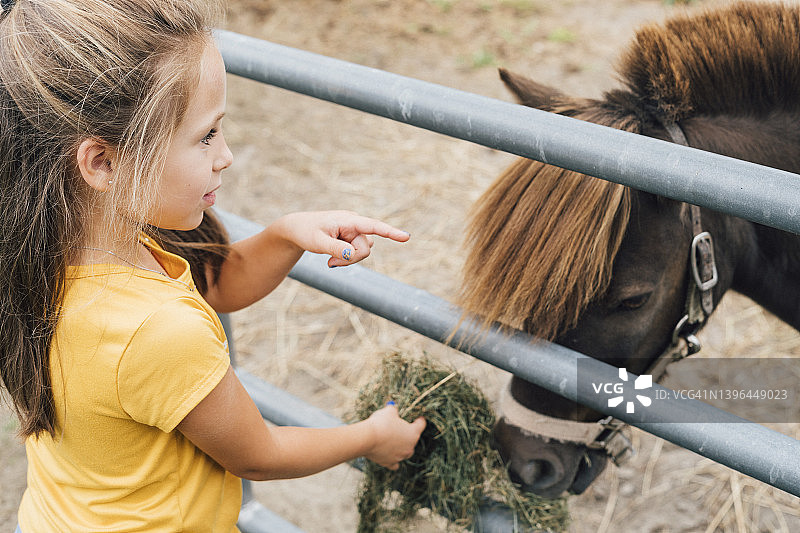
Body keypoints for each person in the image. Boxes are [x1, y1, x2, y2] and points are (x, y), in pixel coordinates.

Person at [0, 0, 426, 531]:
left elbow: (216, 284)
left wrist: (286, 235)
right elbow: (259, 455)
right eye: (206, 136)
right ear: (104, 162)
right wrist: (372, 437)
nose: (226, 155)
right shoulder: (157, 330)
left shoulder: (46, 248)